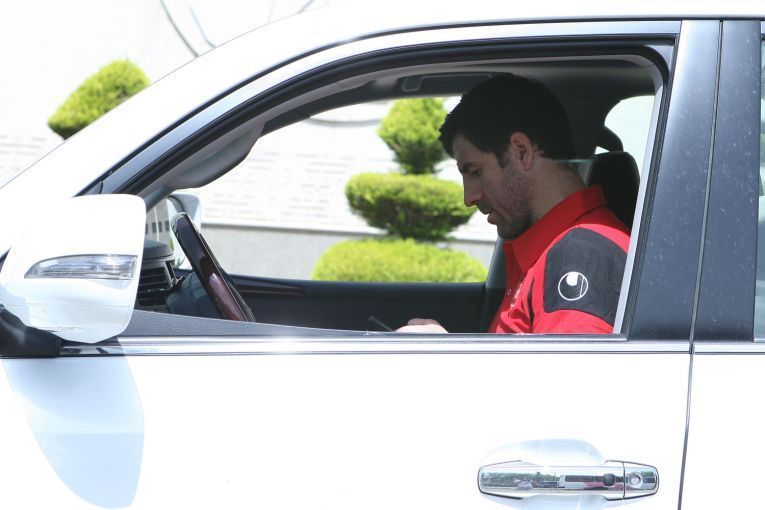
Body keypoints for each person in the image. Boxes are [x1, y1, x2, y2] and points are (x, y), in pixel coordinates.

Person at [398, 74, 630, 334]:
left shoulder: (581, 256)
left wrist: (444, 355)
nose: (468, 198)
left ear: (521, 151)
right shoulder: (549, 250)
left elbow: (571, 362)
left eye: (475, 171)